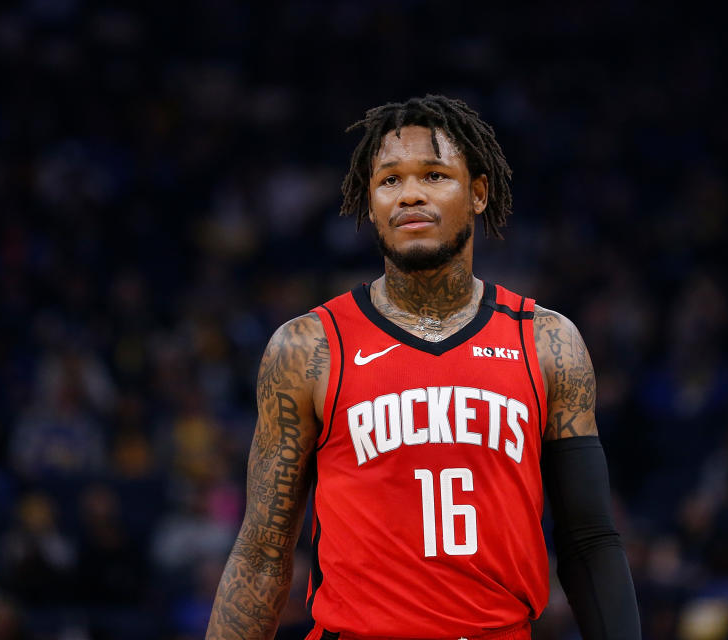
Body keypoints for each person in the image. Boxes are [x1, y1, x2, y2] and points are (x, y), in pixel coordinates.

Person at [206, 95, 641, 639]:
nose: (409, 194)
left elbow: (590, 540)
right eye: (389, 180)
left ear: (478, 193)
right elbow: (262, 554)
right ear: (370, 202)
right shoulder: (306, 347)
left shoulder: (548, 342)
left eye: (434, 175)